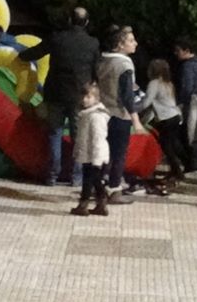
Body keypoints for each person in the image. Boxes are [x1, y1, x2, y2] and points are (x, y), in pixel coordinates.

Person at [19, 7, 100, 185]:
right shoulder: (92, 43)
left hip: (55, 93)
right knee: (78, 137)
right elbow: (97, 70)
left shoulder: (57, 38)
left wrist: (19, 55)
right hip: (80, 97)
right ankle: (76, 177)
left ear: (69, 20)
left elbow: (34, 53)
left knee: (54, 133)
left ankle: (52, 175)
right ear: (86, 22)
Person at [97, 26, 140, 204]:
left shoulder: (102, 60)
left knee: (102, 152)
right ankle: (114, 189)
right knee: (119, 154)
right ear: (120, 44)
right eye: (131, 40)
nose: (135, 43)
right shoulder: (124, 65)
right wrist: (136, 119)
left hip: (101, 112)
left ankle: (98, 187)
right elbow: (127, 95)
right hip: (119, 114)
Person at [69, 82, 110, 216]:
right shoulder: (86, 115)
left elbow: (98, 139)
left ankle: (83, 204)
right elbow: (81, 137)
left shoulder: (96, 116)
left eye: (88, 97)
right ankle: (101, 203)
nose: (84, 100)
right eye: (83, 96)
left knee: (88, 180)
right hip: (88, 154)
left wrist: (97, 160)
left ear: (96, 99)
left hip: (94, 156)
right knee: (95, 180)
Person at [142, 59, 185, 182]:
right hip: (175, 115)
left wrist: (133, 109)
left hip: (166, 118)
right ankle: (180, 167)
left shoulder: (154, 83)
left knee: (166, 146)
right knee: (172, 143)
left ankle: (177, 171)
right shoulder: (168, 83)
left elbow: (147, 102)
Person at [174, 37, 197, 172]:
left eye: (178, 50)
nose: (176, 53)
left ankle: (193, 164)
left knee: (189, 133)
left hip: (191, 104)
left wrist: (180, 104)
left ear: (187, 51)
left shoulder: (187, 67)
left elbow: (186, 88)